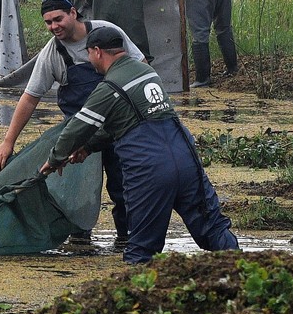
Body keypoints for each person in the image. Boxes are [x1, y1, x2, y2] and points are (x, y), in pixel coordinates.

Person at [39, 26, 240, 264]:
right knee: (213, 229)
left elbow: (75, 129)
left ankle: (138, 296)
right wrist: (90, 147)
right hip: (185, 155)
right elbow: (130, 120)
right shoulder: (146, 72)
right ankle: (245, 278)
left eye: (89, 54)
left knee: (142, 250)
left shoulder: (108, 87)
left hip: (149, 167)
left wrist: (54, 160)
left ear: (96, 51)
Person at [0, 0, 143, 248]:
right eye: (48, 23)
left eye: (58, 19)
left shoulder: (108, 32)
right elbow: (30, 98)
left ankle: (128, 239)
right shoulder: (52, 53)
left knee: (125, 187)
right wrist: (8, 141)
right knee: (77, 192)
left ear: (73, 13)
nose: (54, 27)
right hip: (80, 135)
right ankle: (79, 239)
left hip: (120, 128)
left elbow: (138, 68)